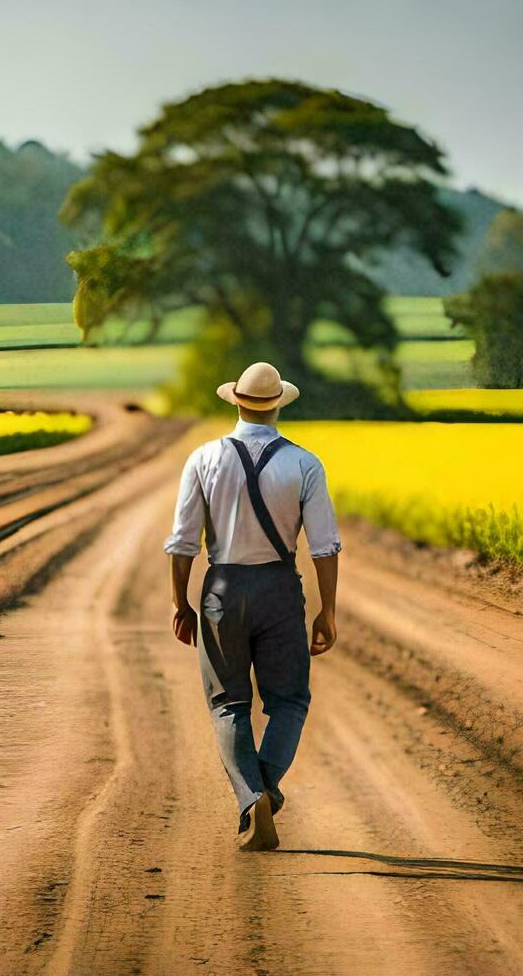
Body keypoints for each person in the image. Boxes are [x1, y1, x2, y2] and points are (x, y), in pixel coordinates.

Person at [165, 361, 341, 852]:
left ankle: (252, 797)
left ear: (236, 401)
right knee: (289, 701)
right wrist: (327, 610)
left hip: (222, 588)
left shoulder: (203, 458)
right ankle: (265, 788)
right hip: (281, 590)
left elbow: (182, 544)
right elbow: (324, 547)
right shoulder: (305, 464)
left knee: (228, 704)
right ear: (279, 404)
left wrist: (181, 603)